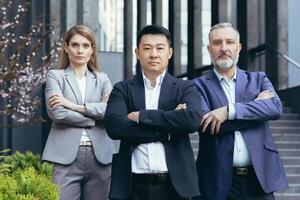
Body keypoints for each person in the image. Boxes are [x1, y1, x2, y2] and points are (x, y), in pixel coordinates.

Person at [105, 24, 202, 200]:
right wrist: (168, 129)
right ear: (137, 52)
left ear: (170, 52)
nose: (153, 54)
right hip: (132, 186)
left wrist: (142, 116)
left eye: (160, 48)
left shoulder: (185, 87)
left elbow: (191, 121)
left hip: (174, 187)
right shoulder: (122, 89)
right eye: (147, 48)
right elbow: (114, 126)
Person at [193, 22, 288, 200]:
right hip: (216, 180)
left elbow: (275, 109)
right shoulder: (196, 86)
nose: (224, 48)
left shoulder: (258, 79)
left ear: (239, 47)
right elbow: (207, 125)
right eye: (217, 43)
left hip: (259, 179)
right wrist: (256, 111)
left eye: (230, 42)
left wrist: (228, 111)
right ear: (209, 48)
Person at [42, 25, 116, 200]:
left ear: (92, 49)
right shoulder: (55, 76)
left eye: (85, 45)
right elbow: (57, 113)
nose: (80, 50)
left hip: (100, 157)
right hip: (64, 157)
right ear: (66, 47)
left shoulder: (102, 78)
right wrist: (94, 117)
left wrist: (72, 106)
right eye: (75, 45)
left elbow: (111, 111)